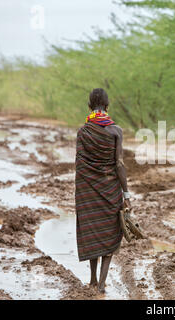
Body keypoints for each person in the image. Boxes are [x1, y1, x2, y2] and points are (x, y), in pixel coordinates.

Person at [75, 88, 131, 293]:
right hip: (110, 190)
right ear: (107, 106)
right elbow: (119, 164)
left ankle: (91, 280)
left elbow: (80, 166)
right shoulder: (116, 131)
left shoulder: (83, 131)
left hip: (87, 191)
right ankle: (101, 284)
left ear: (89, 106)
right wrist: (126, 194)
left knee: (92, 231)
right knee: (110, 233)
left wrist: (81, 194)